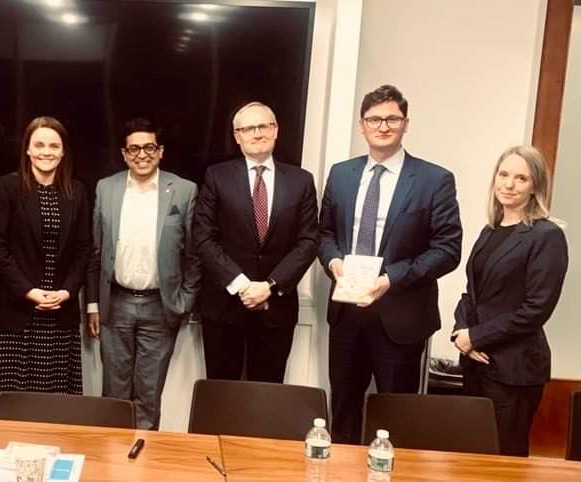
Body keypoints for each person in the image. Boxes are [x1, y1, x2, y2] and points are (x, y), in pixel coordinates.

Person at [319, 85, 462, 443]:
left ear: (405, 123)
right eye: (374, 119)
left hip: (401, 317)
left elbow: (448, 249)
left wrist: (390, 279)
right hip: (348, 316)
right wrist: (334, 261)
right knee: (344, 413)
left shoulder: (434, 180)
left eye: (392, 119)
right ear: (361, 126)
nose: (383, 126)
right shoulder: (341, 174)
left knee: (396, 419)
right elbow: (323, 234)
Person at [85, 117, 201, 430]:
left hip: (160, 307)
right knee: (114, 394)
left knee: (149, 395)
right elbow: (94, 253)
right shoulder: (106, 188)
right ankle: (111, 467)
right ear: (124, 154)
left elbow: (193, 254)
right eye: (133, 149)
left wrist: (185, 302)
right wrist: (93, 304)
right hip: (116, 304)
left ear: (160, 151)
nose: (142, 154)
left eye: (149, 147)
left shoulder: (184, 191)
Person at [452, 145, 568, 456]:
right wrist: (462, 333)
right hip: (475, 364)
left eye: (521, 178)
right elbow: (471, 294)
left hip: (514, 369)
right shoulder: (490, 230)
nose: (509, 184)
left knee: (504, 461)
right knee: (472, 457)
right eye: (504, 175)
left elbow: (535, 309)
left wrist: (476, 337)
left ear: (535, 187)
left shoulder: (547, 236)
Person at [192, 102, 319, 383]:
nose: (257, 133)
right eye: (248, 128)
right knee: (220, 395)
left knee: (267, 397)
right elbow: (203, 237)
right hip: (224, 306)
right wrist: (242, 285)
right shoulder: (217, 176)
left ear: (275, 131)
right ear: (237, 136)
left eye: (263, 126)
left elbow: (309, 241)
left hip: (277, 308)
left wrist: (270, 286)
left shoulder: (301, 181)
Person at [0, 116, 91, 417]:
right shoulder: (7, 187)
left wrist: (68, 292)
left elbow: (84, 249)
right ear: (27, 150)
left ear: (63, 151)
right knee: (10, 405)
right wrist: (28, 291)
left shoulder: (77, 191)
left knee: (54, 408)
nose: (47, 151)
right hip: (16, 313)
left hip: (59, 312)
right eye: (39, 144)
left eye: (54, 145)